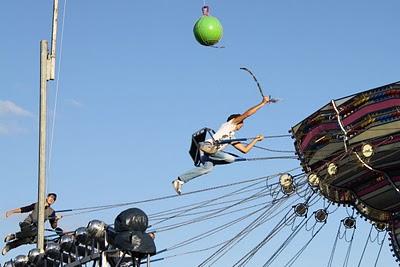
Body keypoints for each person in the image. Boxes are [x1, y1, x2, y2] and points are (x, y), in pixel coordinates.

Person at [172, 96, 272, 194]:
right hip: (207, 147)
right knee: (230, 158)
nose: (242, 124)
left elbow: (245, 150)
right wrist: (262, 103)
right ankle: (212, 154)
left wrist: (255, 140)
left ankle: (180, 180)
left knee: (208, 168)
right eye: (242, 122)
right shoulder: (229, 124)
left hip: (210, 154)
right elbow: (247, 114)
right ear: (237, 120)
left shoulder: (231, 137)